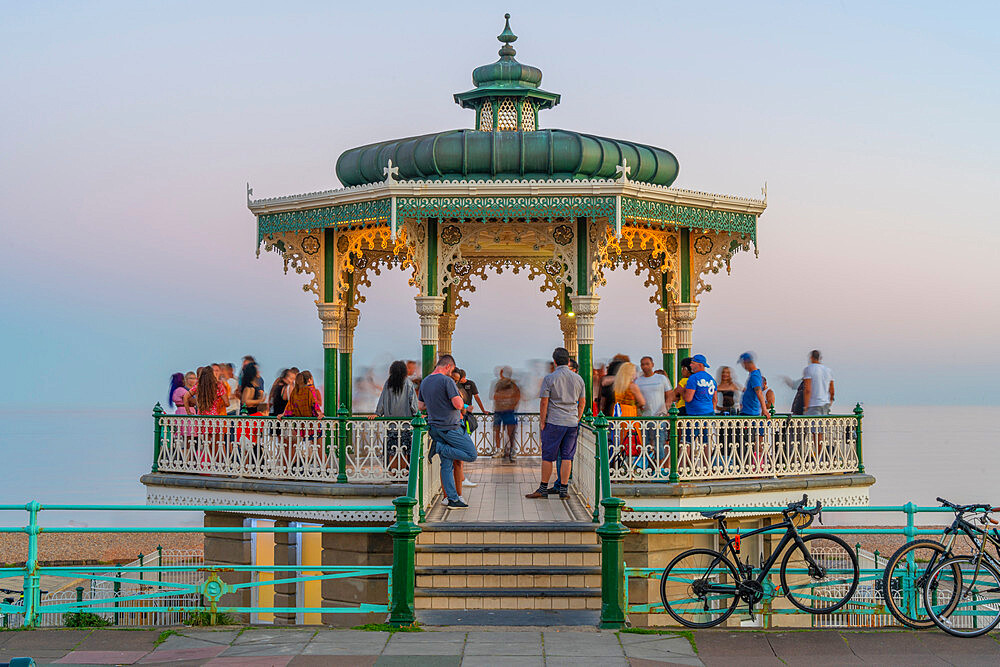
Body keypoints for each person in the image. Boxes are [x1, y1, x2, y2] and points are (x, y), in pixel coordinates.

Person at [418, 355, 478, 510]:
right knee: (471, 454)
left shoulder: (425, 382)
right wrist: (459, 398)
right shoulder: (447, 381)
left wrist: (436, 404)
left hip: (435, 428)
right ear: (449, 366)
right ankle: (439, 449)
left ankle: (452, 499)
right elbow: (458, 404)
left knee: (446, 464)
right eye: (451, 370)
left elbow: (420, 405)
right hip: (450, 427)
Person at [526, 348, 586, 501]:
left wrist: (542, 421)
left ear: (554, 361)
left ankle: (543, 488)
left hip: (554, 421)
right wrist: (577, 418)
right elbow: (582, 402)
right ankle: (564, 490)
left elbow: (544, 401)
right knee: (567, 456)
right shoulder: (578, 379)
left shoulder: (550, 378)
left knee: (548, 456)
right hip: (571, 423)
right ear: (568, 361)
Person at [375, 361, 419, 471]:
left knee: (392, 452)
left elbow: (382, 400)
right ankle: (403, 475)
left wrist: (377, 414)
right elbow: (413, 402)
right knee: (404, 452)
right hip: (406, 425)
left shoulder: (388, 383)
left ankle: (394, 475)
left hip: (391, 425)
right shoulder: (408, 383)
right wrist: (417, 414)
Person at [635, 356, 672, 466]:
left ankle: (660, 468)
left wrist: (666, 410)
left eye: (647, 364)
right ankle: (648, 467)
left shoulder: (661, 379)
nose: (645, 366)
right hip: (644, 417)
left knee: (659, 443)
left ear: (652, 364)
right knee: (646, 445)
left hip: (659, 417)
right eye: (643, 364)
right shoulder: (638, 381)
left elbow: (670, 395)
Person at [491, 366, 521, 463]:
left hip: (508, 411)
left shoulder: (513, 384)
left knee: (510, 432)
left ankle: (511, 450)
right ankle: (500, 450)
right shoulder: (499, 384)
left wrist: (512, 405)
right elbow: (495, 396)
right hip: (500, 411)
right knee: (498, 430)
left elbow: (517, 396)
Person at [801, 350, 835, 415]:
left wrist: (806, 406)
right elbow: (832, 390)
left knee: (813, 424)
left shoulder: (808, 369)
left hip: (813, 404)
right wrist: (830, 401)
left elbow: (807, 390)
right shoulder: (828, 370)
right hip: (825, 404)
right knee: (823, 424)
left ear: (811, 358)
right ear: (820, 358)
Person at [738, 353, 770, 419]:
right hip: (748, 411)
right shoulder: (755, 374)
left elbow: (759, 392)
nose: (743, 366)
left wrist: (764, 409)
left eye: (743, 364)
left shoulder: (754, 376)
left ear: (746, 362)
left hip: (750, 413)